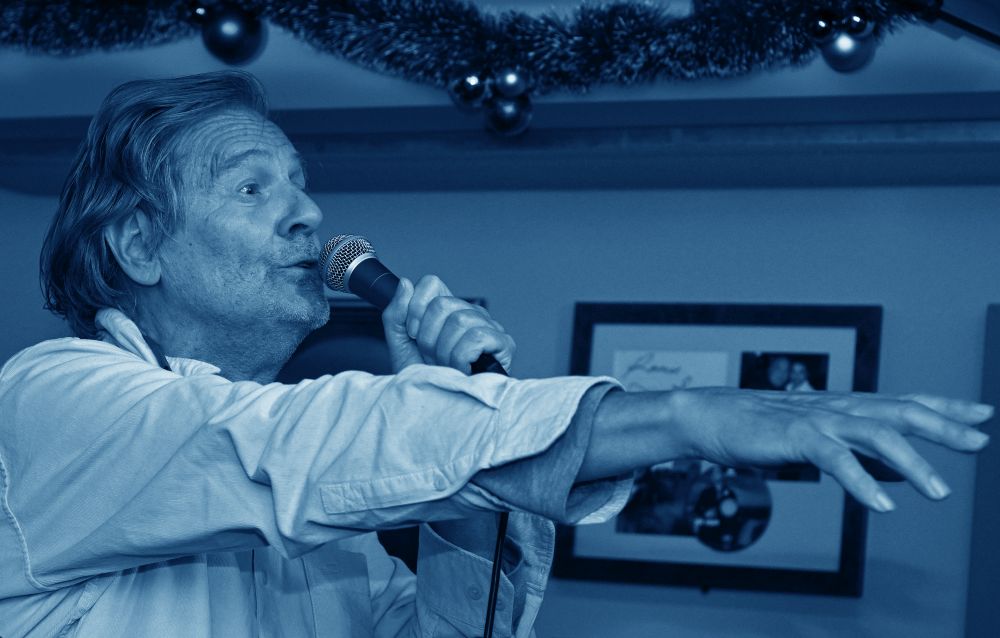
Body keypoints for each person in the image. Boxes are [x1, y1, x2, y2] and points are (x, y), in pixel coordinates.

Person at [0, 71, 991, 638]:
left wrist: (453, 416)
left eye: (300, 183)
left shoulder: (321, 508)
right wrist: (688, 414)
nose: (308, 213)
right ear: (138, 245)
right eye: (253, 188)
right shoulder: (55, 399)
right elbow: (280, 444)